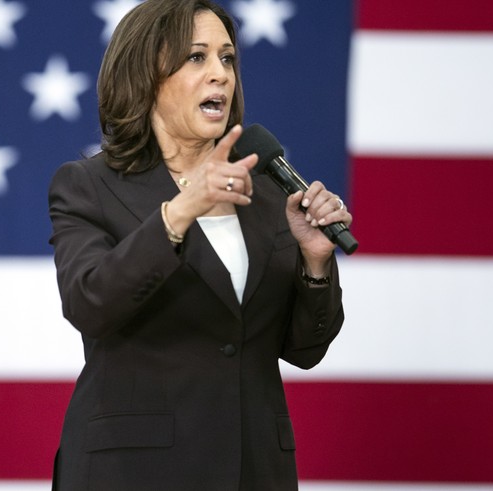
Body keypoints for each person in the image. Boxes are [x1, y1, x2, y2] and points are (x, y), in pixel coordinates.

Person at [47, 0, 350, 489]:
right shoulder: (88, 185)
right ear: (146, 75)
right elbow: (90, 302)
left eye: (227, 58)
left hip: (252, 470)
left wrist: (314, 263)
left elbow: (303, 349)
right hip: (134, 471)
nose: (221, 75)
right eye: (197, 58)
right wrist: (184, 209)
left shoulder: (266, 191)